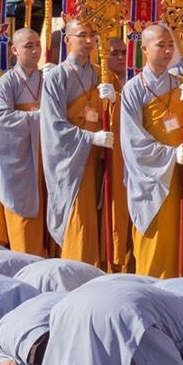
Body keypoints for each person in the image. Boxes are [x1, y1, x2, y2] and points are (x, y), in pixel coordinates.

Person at [41, 21, 117, 268]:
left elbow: (126, 118)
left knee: (104, 217)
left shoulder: (103, 75)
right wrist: (89, 138)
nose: (88, 41)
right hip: (73, 159)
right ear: (68, 40)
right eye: (82, 35)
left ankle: (104, 269)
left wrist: (116, 100)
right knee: (80, 218)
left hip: (101, 155)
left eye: (92, 34)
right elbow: (53, 125)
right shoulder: (56, 77)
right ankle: (76, 272)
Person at [120, 24, 183, 275]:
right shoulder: (133, 89)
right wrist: (171, 155)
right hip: (152, 176)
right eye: (161, 45)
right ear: (144, 48)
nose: (168, 50)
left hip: (181, 172)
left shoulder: (182, 85)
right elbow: (133, 141)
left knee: (179, 239)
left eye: (171, 45)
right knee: (155, 239)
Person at [0, 27, 48, 252]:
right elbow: (1, 120)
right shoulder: (5, 83)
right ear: (14, 50)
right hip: (21, 159)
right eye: (28, 46)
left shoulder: (49, 79)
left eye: (37, 44)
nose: (35, 50)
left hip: (47, 154)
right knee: (24, 215)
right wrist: (38, 118)